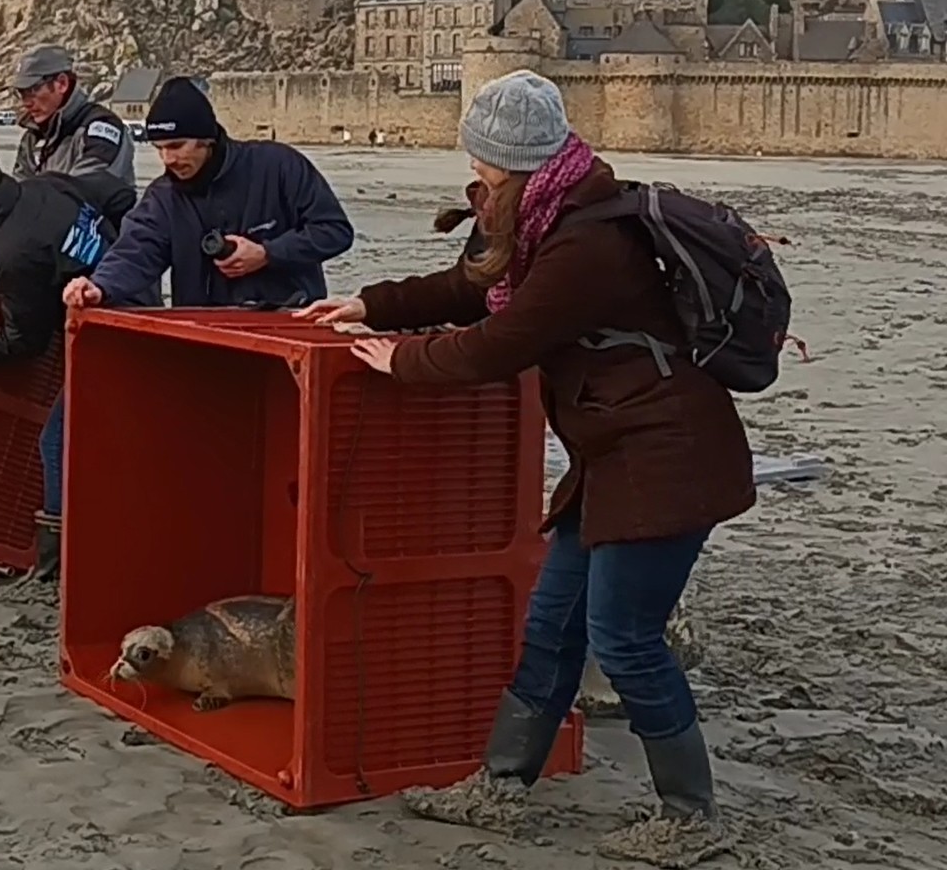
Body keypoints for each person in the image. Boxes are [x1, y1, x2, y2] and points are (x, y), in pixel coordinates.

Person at [301, 70, 753, 863]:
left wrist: (399, 364)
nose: (473, 176)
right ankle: (502, 786)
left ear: (518, 166)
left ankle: (690, 815)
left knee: (625, 638)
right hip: (612, 454)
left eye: (483, 165)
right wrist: (372, 304)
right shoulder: (542, 218)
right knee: (551, 626)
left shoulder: (588, 242)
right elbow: (474, 289)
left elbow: (503, 343)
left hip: (668, 457)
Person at [0, 151, 146, 581]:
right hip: (136, 301)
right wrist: (126, 258)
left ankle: (54, 566)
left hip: (104, 337)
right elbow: (119, 194)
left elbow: (23, 341)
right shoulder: (50, 184)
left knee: (55, 442)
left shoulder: (11, 255)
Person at [63, 76, 353, 311]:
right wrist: (99, 286)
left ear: (207, 140)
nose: (167, 159)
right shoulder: (163, 198)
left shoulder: (278, 166)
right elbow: (135, 251)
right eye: (160, 148)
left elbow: (334, 231)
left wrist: (268, 253)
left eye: (176, 146)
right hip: (206, 335)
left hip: (286, 323)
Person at [10, 46, 134, 194]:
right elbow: (18, 195)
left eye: (32, 90)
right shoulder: (32, 138)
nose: (26, 102)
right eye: (22, 93)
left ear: (62, 84)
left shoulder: (100, 128)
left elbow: (83, 195)